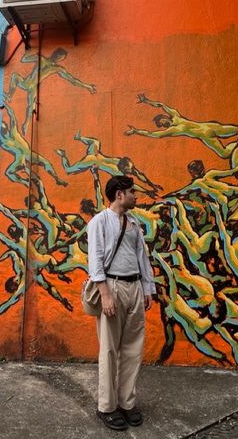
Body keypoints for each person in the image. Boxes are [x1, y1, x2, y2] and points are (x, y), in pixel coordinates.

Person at [87, 175, 156, 431]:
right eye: (132, 192)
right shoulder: (99, 222)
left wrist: (148, 288)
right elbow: (94, 260)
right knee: (109, 350)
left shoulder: (134, 223)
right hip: (112, 287)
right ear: (119, 194)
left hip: (135, 287)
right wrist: (104, 293)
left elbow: (142, 257)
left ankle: (127, 403)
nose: (136, 196)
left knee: (133, 349)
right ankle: (106, 406)